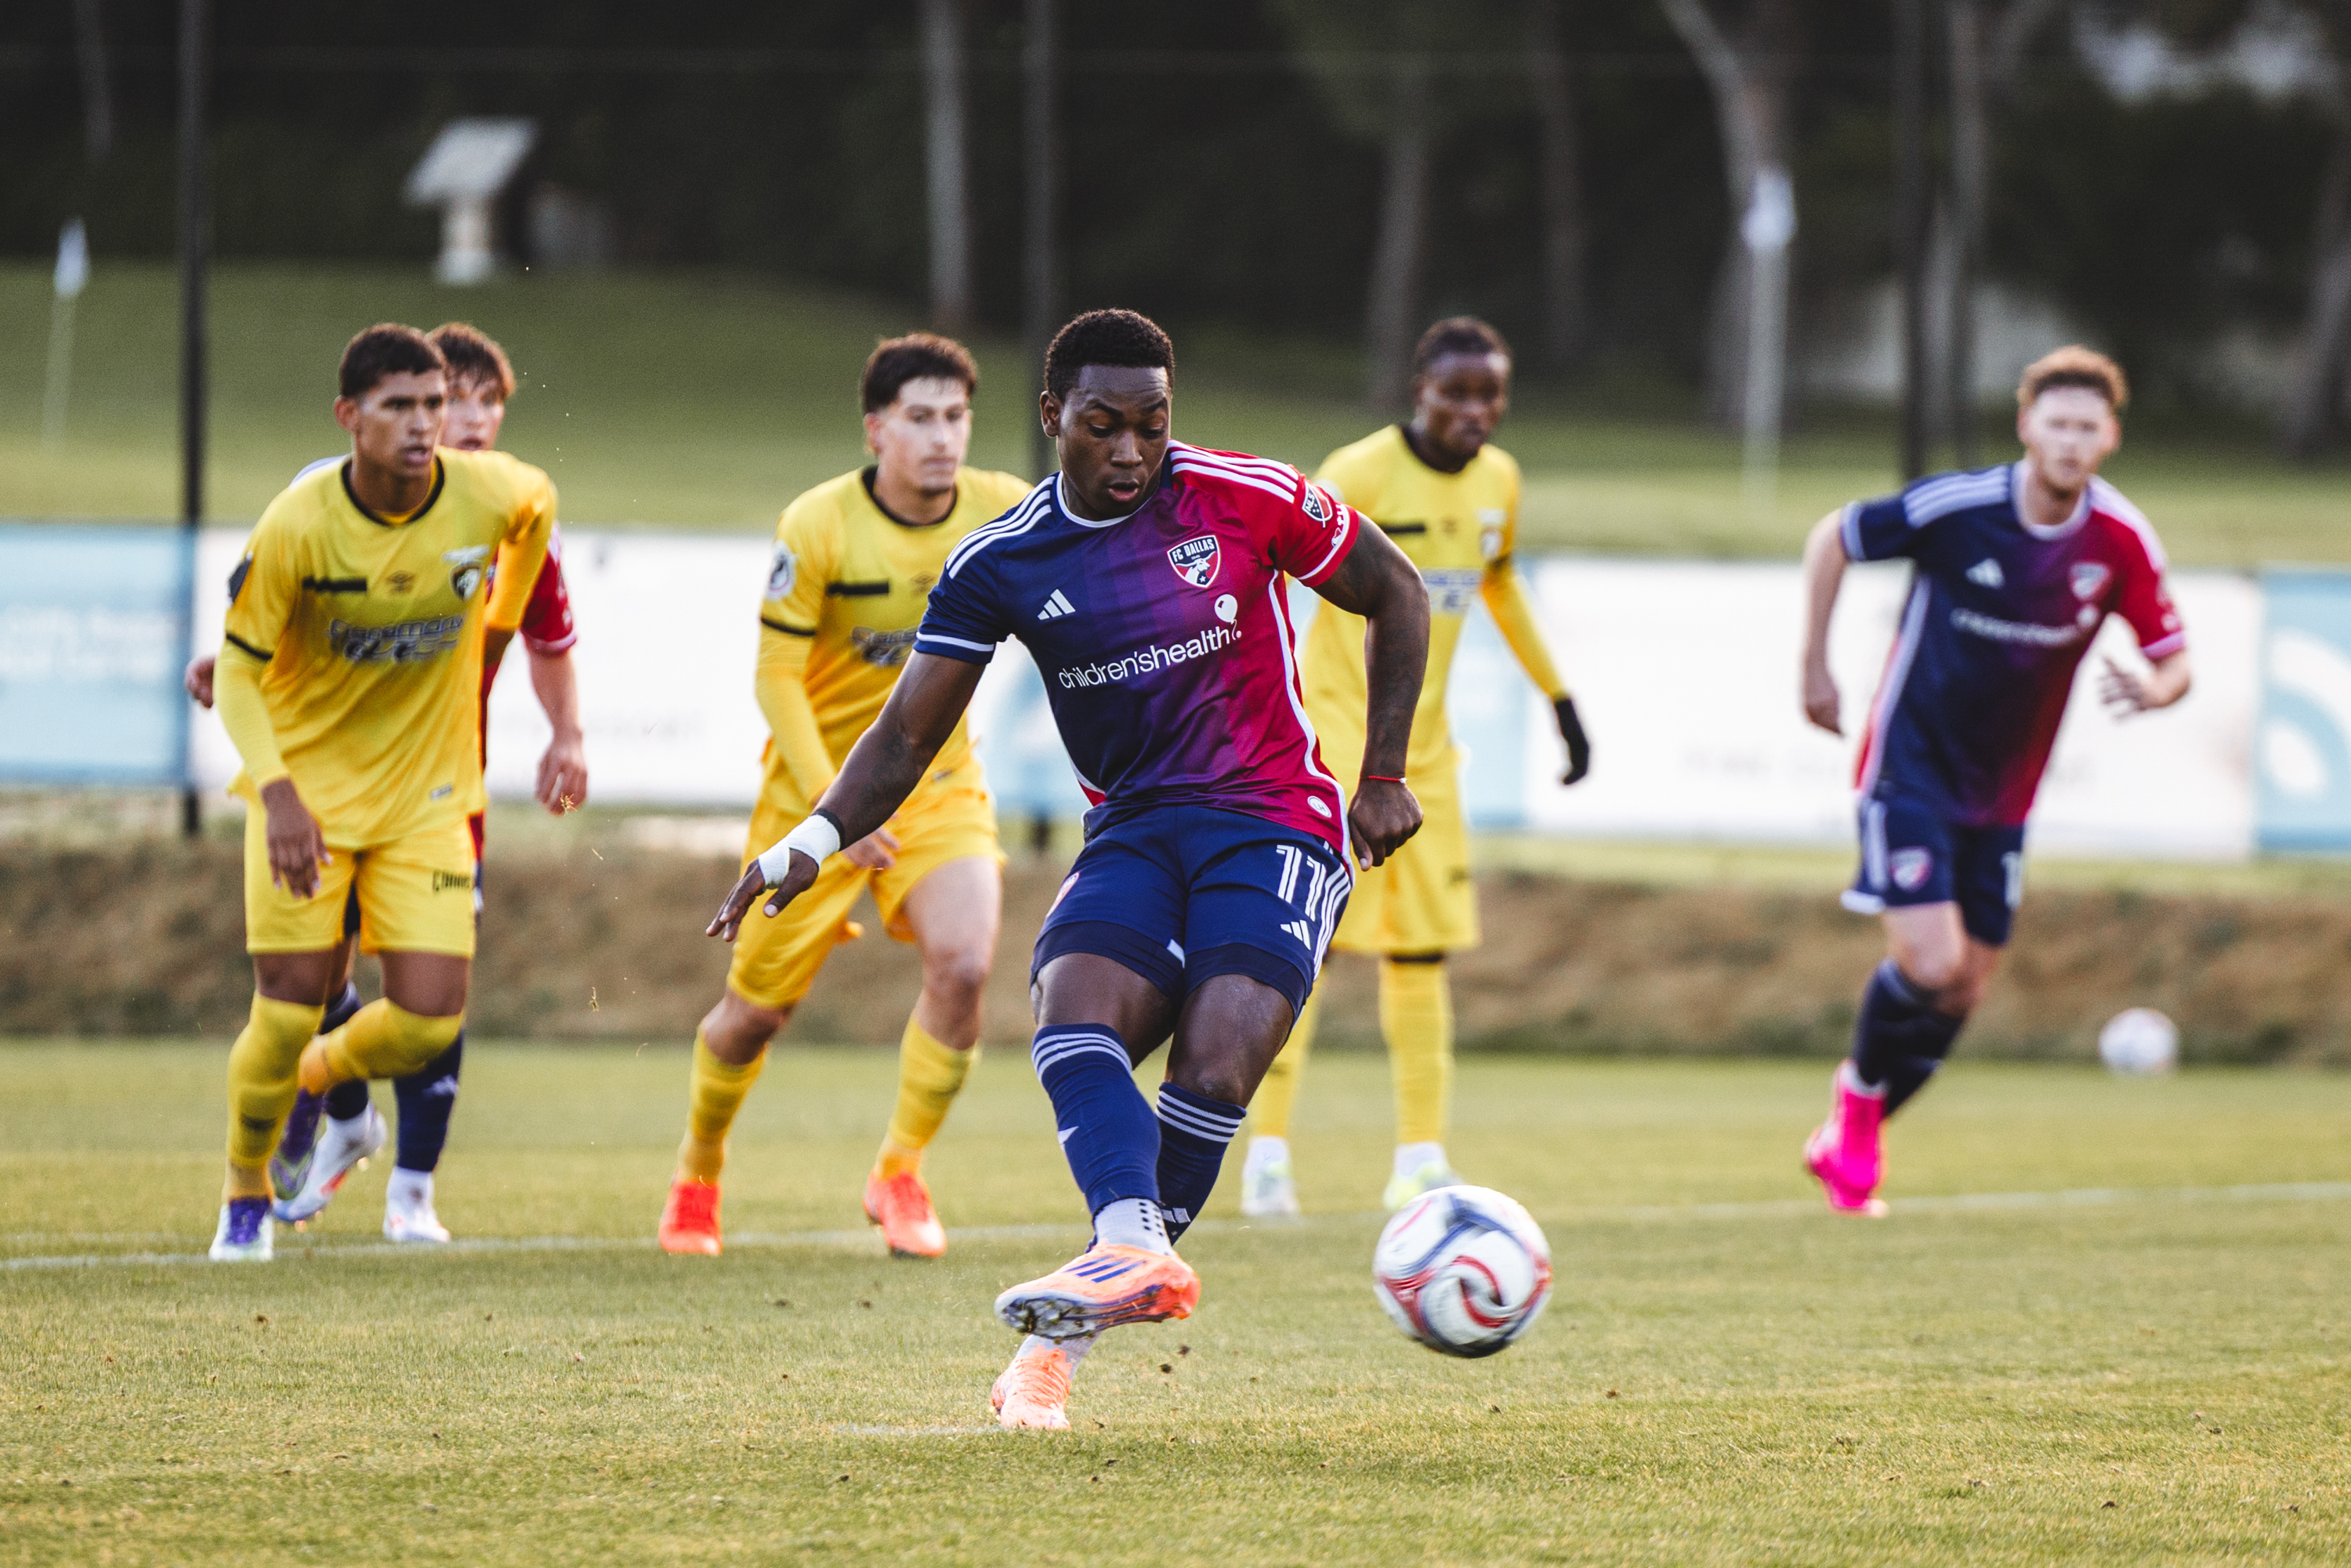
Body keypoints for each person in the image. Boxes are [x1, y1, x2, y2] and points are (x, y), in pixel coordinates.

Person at [708, 309, 1430, 1430]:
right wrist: (807, 843)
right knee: (1072, 1005)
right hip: (1136, 828)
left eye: (1153, 425)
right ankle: (1132, 1251)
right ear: (1053, 419)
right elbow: (904, 737)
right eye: (1103, 426)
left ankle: (1064, 1343)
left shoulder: (1249, 494)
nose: (1134, 452)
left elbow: (1398, 590)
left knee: (1222, 1049)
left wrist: (1383, 770)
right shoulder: (1000, 561)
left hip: (1273, 817)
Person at [186, 321, 585, 1244]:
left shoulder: (496, 497)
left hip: (429, 801)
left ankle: (333, 1099)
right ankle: (245, 1197)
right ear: (349, 418)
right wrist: (276, 789)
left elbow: (538, 512)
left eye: (438, 404)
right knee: (288, 1007)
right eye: (402, 406)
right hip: (309, 798)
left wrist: (490, 637)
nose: (429, 423)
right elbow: (251, 655)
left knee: (426, 1019)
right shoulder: (300, 514)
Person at [655, 334, 1031, 1259]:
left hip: (941, 786)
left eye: (956, 417)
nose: (942, 437)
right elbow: (776, 676)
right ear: (876, 431)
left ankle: (900, 1172)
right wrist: (836, 811)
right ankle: (697, 1174)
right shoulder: (817, 525)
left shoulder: (1003, 512)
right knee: (753, 1017)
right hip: (812, 791)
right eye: (920, 419)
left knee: (968, 966)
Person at [1797, 346, 2189, 1216]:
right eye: (2057, 422)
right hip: (1910, 769)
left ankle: (1853, 1125)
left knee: (1967, 985)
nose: (2071, 440)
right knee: (1929, 961)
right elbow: (1835, 537)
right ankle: (1857, 1110)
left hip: (2005, 797)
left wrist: (2152, 690)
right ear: (2027, 426)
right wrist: (1814, 668)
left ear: (2110, 437)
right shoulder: (1959, 507)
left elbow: (2175, 660)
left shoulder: (2119, 539)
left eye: (2088, 427)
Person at [1240, 317, 1590, 1217]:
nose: (1477, 411)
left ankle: (1421, 1160)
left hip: (1423, 759)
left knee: (1422, 956)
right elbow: (1268, 571)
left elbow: (1498, 584)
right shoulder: (1356, 473)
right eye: (1459, 392)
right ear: (1418, 390)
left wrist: (1559, 699)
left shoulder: (1500, 481)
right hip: (1324, 753)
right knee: (1298, 946)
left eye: (1492, 394)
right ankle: (1267, 1152)